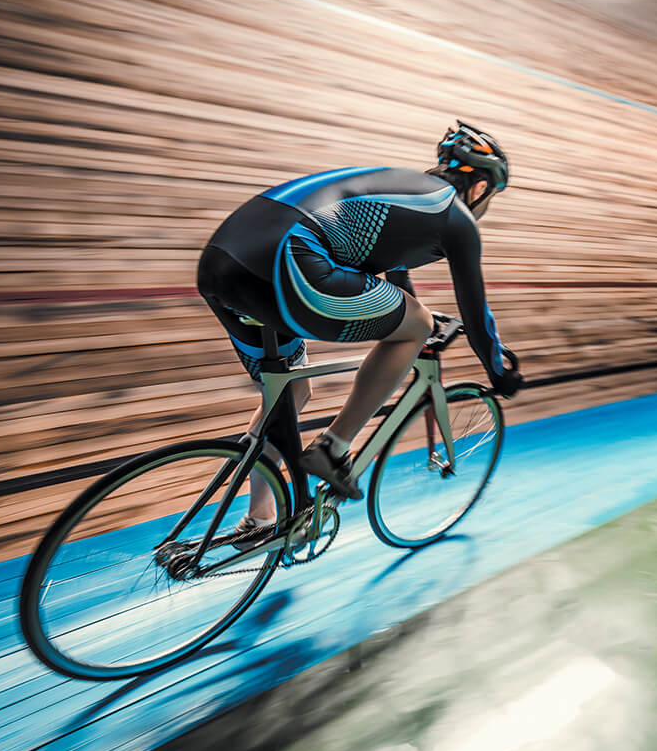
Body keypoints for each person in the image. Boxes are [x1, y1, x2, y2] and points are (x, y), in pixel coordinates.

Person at [195, 121, 524, 530]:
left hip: (220, 264)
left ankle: (258, 521)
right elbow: (475, 312)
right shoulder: (455, 217)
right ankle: (333, 448)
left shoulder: (402, 188)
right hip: (288, 261)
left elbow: (394, 271)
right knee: (417, 324)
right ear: (479, 189)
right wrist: (498, 369)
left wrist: (412, 310)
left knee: (291, 391)